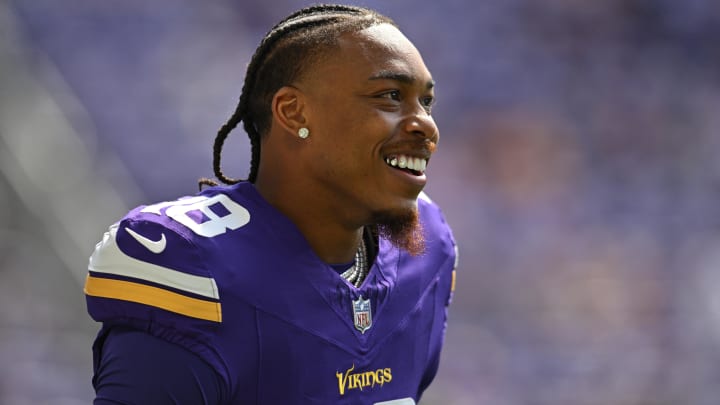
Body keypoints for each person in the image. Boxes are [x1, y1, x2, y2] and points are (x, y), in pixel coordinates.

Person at [84, 4, 458, 404]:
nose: (426, 125)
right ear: (293, 111)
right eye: (389, 96)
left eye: (426, 103)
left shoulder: (425, 249)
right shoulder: (193, 265)